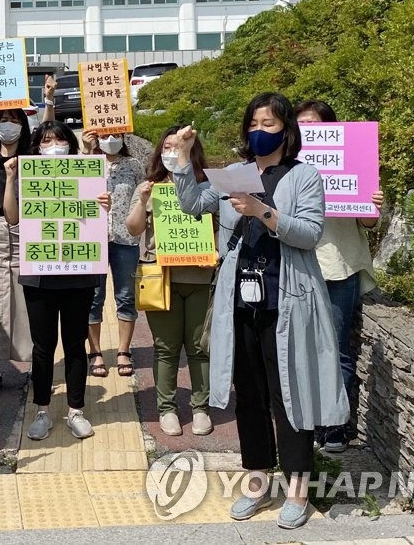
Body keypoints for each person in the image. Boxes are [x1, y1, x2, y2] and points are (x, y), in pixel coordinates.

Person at [169, 92, 348, 530]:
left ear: (287, 130)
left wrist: (263, 211)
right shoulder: (235, 174)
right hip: (240, 301)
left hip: (287, 300)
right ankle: (255, 480)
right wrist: (184, 160)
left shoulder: (305, 176)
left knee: (291, 391)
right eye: (254, 124)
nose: (259, 132)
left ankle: (297, 490)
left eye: (269, 125)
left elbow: (308, 233)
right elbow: (193, 205)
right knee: (248, 393)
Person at [2, 121, 111, 440]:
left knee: (75, 344)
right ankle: (42, 410)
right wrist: (11, 179)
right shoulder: (27, 174)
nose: (54, 146)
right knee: (43, 346)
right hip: (39, 275)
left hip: (78, 272)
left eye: (60, 140)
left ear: (70, 145)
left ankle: (76, 410)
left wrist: (103, 204)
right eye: (47, 141)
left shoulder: (86, 172)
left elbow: (97, 215)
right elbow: (11, 217)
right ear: (36, 146)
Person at [294, 99, 383, 454]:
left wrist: (373, 203)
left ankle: (334, 427)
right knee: (301, 349)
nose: (307, 133)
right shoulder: (288, 165)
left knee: (336, 349)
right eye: (300, 127)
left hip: (338, 266)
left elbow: (368, 221)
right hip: (298, 266)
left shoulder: (354, 159)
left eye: (314, 126)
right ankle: (306, 421)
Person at [126, 127, 213, 436]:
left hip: (201, 277)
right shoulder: (149, 187)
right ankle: (167, 408)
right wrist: (142, 201)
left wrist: (212, 250)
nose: (172, 152)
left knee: (200, 347)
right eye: (167, 147)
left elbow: (219, 227)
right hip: (159, 277)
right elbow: (133, 229)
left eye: (179, 147)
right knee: (165, 348)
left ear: (192, 150)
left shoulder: (207, 186)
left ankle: (201, 407)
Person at [0, 74, 56, 396]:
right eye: (2, 120)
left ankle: (36, 366)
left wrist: (47, 100)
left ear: (23, 125)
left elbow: (49, 133)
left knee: (29, 298)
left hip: (29, 232)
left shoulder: (34, 157)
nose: (8, 125)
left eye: (14, 120)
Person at [82, 130, 144, 378]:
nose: (110, 139)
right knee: (93, 297)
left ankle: (123, 350)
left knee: (126, 295)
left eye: (115, 134)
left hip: (126, 239)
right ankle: (95, 352)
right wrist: (86, 151)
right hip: (92, 238)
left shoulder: (134, 165)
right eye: (105, 135)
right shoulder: (85, 161)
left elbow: (141, 197)